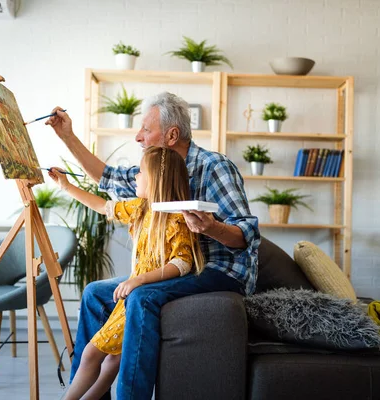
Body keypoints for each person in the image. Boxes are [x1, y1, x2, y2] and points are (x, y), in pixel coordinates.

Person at [46, 92, 260, 400]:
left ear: (172, 135)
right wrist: (68, 137)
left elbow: (246, 236)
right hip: (175, 271)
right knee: (95, 293)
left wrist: (211, 227)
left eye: (146, 129)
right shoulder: (154, 171)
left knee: (142, 295)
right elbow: (106, 179)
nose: (138, 137)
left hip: (218, 270)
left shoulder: (214, 167)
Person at [49, 146, 205, 400]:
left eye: (141, 172)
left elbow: (183, 263)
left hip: (139, 294)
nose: (136, 177)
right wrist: (66, 186)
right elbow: (102, 206)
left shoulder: (177, 219)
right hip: (132, 294)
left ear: (156, 179)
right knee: (112, 359)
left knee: (91, 354)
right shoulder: (139, 208)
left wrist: (139, 280)